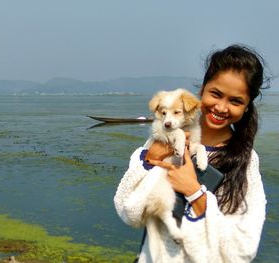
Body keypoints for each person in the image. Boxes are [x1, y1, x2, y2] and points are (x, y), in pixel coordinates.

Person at [114, 44, 270, 262]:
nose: (222, 108)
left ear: (246, 107)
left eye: (235, 101)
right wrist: (149, 160)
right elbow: (128, 211)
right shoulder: (163, 139)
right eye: (216, 94)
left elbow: (242, 249)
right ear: (201, 91)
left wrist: (195, 192)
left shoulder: (245, 160)